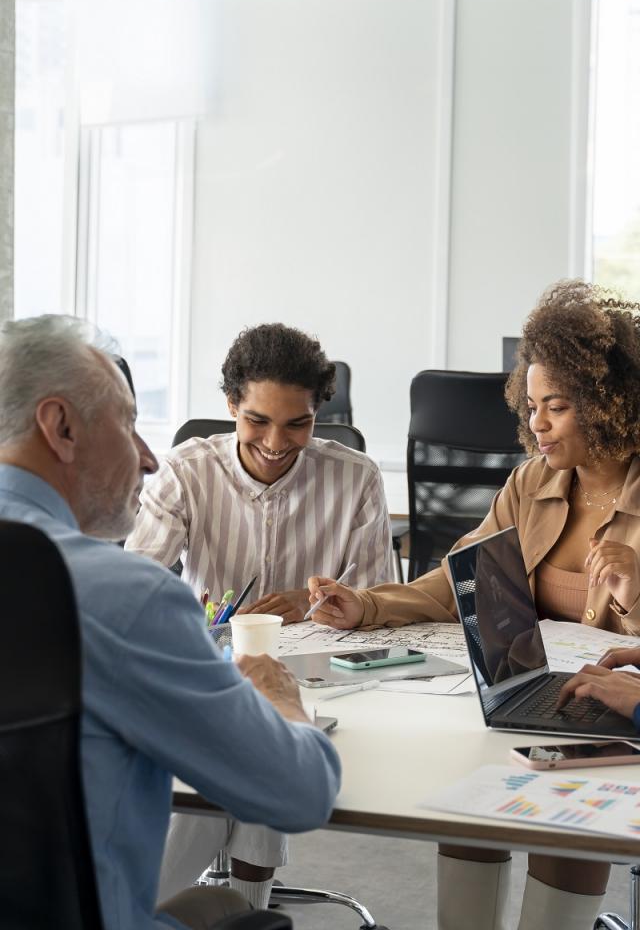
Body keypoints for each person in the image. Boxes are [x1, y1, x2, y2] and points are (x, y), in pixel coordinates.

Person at [308, 280, 640, 930]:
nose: (536, 424)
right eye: (533, 405)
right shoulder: (533, 481)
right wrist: (367, 607)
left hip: (618, 719)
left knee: (560, 830)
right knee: (468, 799)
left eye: (559, 407)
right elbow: (462, 576)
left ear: (609, 404)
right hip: (540, 692)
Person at [0, 314, 341, 930]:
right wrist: (280, 701)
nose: (148, 458)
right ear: (62, 427)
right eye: (128, 423)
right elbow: (299, 792)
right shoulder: (123, 598)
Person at [125, 322, 393, 908]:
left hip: (324, 678)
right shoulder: (186, 471)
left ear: (318, 413)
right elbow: (135, 587)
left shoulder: (356, 478)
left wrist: (314, 599)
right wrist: (188, 615)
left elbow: (383, 600)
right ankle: (246, 908)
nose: (276, 441)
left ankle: (233, 906)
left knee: (262, 731)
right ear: (231, 406)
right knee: (248, 742)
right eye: (258, 421)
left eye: (298, 423)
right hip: (210, 670)